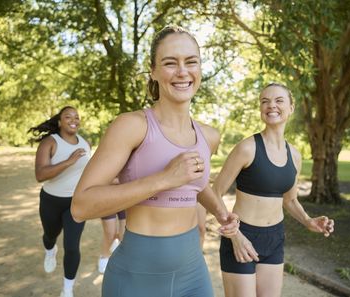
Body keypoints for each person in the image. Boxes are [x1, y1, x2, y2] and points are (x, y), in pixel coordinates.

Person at [71, 25, 239, 297]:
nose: (183, 71)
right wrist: (163, 179)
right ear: (153, 71)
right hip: (135, 278)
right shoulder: (131, 126)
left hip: (193, 274)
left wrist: (221, 211)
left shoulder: (209, 136)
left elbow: (195, 184)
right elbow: (80, 206)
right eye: (170, 63)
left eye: (191, 62)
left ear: (200, 68)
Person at [213, 83, 335, 297]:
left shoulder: (295, 156)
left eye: (279, 100)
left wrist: (309, 221)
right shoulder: (247, 148)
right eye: (265, 101)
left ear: (291, 108)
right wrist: (235, 235)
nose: (271, 106)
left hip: (275, 237)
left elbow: (290, 200)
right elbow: (215, 193)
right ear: (260, 108)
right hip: (243, 235)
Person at [29, 106, 91, 297]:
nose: (74, 120)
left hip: (76, 203)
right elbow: (40, 175)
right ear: (59, 122)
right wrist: (68, 162)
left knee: (72, 246)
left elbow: (88, 173)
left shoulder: (86, 143)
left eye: (76, 117)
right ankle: (50, 249)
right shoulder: (50, 142)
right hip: (51, 201)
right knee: (50, 235)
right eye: (68, 117)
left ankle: (67, 290)